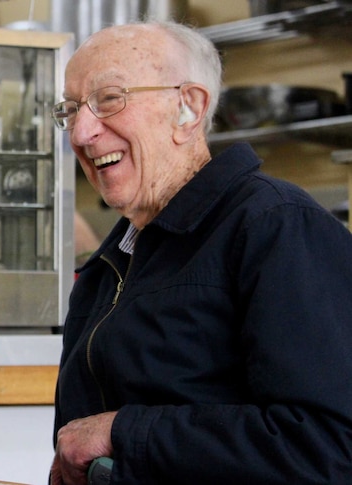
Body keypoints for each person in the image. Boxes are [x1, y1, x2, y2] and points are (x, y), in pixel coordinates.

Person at [49, 20, 352, 484]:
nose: (81, 132)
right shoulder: (110, 263)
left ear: (188, 108)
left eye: (109, 99)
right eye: (70, 110)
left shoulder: (277, 225)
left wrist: (123, 432)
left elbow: (329, 445)